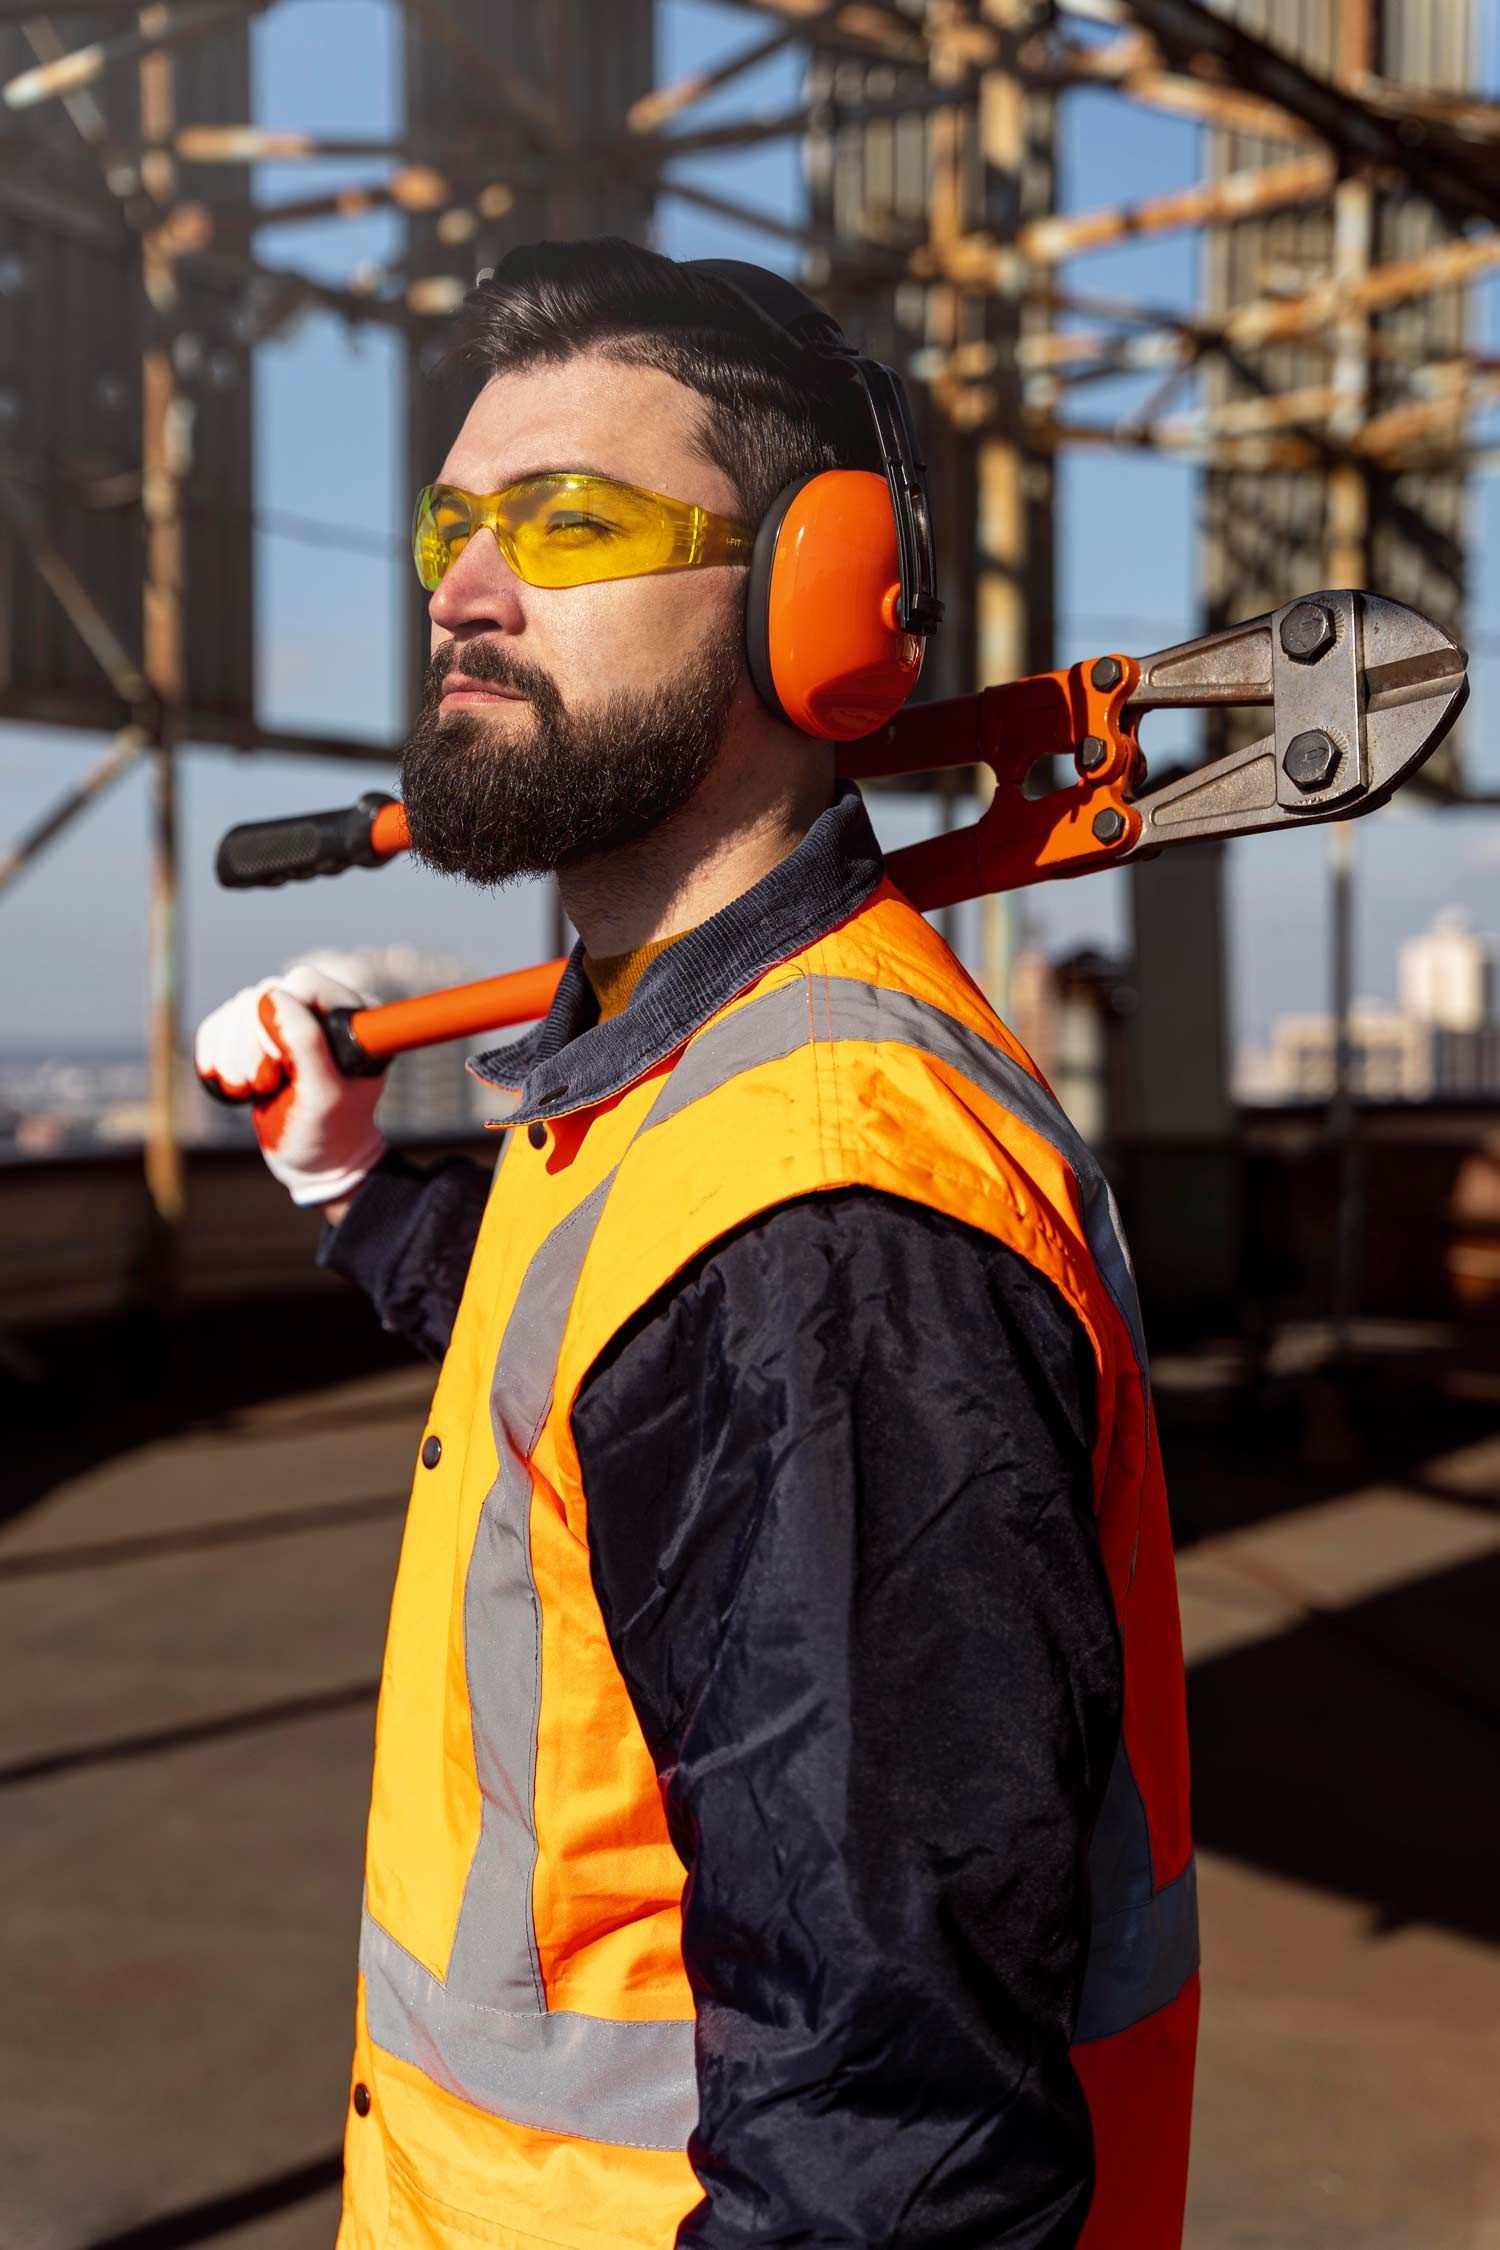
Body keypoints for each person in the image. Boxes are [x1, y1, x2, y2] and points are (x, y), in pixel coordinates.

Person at [195, 239, 1197, 2250]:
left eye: (567, 520)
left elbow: (885, 2169)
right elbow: (576, 1397)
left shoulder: (821, 1213)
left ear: (819, 603)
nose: (466, 588)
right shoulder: (673, 1095)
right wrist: (348, 1183)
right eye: (450, 524)